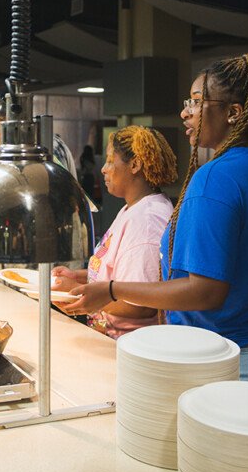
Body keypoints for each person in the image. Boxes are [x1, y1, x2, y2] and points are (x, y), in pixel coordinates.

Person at [64, 55, 248, 410]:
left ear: (234, 112)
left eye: (196, 101)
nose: (185, 112)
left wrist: (111, 290)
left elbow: (205, 291)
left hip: (237, 365)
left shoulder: (216, 177)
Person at [53, 126, 177, 338]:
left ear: (135, 165)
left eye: (111, 160)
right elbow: (118, 275)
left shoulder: (146, 220)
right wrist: (79, 278)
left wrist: (75, 294)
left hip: (130, 344)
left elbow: (142, 305)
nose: (103, 169)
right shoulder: (133, 208)